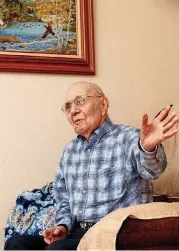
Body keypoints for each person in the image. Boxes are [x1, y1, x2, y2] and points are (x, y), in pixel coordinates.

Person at [4, 82, 179, 250]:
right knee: (15, 244)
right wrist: (63, 226)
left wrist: (148, 147)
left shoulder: (129, 138)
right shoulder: (70, 150)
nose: (73, 111)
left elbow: (152, 171)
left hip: (114, 233)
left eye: (80, 101)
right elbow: (62, 197)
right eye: (67, 106)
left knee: (57, 250)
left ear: (103, 104)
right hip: (77, 233)